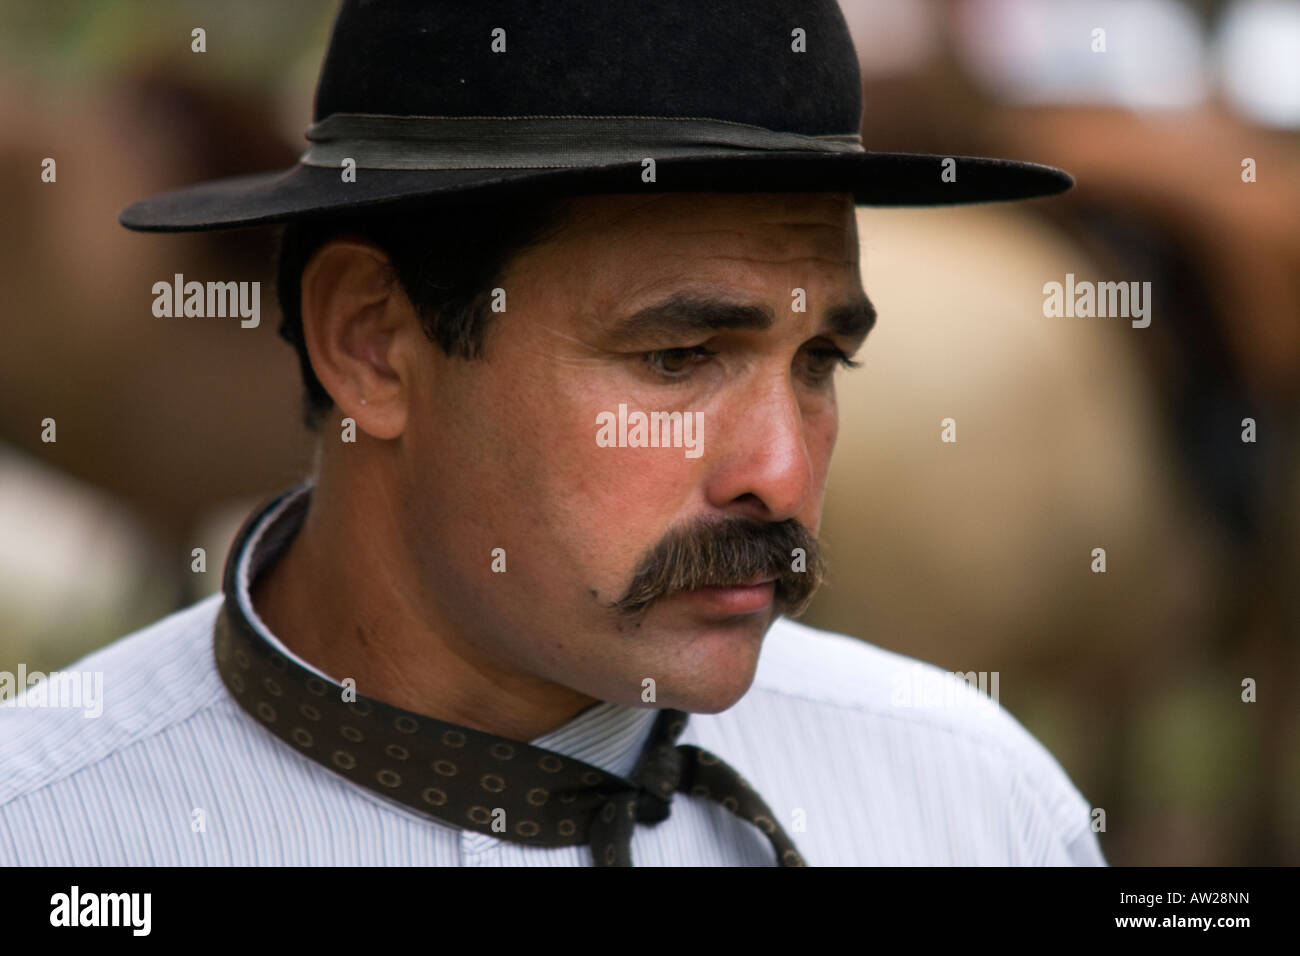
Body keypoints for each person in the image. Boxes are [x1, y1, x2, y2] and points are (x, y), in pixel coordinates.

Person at [0, 0, 1104, 866]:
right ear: (370, 342)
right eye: (677, 358)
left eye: (819, 361)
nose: (781, 474)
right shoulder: (50, 830)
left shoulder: (973, 804)